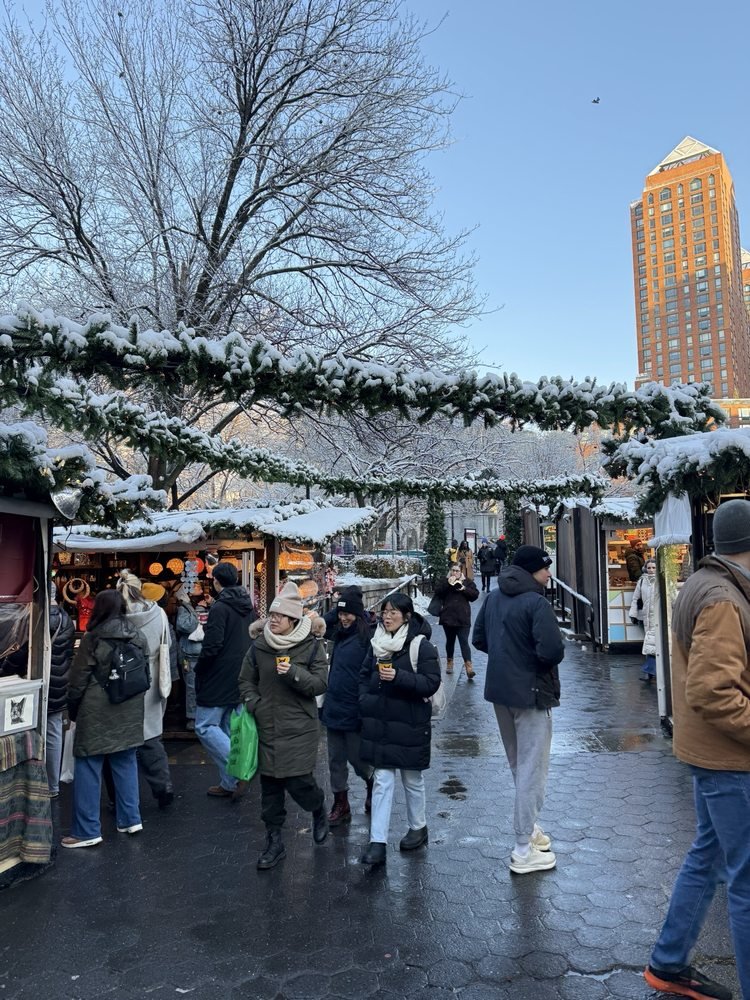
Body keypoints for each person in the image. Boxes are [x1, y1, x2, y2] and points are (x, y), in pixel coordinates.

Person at [643, 499, 750, 1000]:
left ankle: (667, 963)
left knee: (708, 856)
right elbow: (713, 692)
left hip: (710, 757)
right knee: (746, 884)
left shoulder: (707, 584)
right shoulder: (724, 598)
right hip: (731, 762)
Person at [472, 544, 564, 875]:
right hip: (532, 693)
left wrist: (505, 654)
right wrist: (528, 660)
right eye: (545, 568)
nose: (549, 574)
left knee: (518, 765)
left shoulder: (495, 596)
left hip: (500, 692)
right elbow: (552, 650)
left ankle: (531, 829)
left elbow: (478, 639)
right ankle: (523, 848)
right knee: (532, 770)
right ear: (531, 571)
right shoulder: (536, 602)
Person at [239, 581, 329, 870]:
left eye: (279, 616)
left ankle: (317, 807)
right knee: (271, 787)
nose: (273, 620)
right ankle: (274, 841)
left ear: (294, 620)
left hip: (299, 728)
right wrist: (254, 703)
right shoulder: (259, 646)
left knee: (297, 781)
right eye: (272, 615)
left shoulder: (312, 647)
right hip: (266, 725)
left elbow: (320, 685)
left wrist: (293, 673)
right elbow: (245, 681)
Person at [358, 593, 441, 867]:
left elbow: (431, 683)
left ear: (407, 615)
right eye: (385, 611)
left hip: (410, 723)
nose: (387, 616)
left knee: (412, 779)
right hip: (381, 724)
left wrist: (399, 677)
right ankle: (377, 842)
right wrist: (364, 700)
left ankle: (418, 827)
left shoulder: (420, 646)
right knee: (382, 781)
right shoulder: (376, 644)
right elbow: (363, 677)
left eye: (393, 612)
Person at [62, 590, 146, 847]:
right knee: (125, 760)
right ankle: (131, 819)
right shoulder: (137, 635)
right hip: (130, 706)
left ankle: (87, 831)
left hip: (97, 707)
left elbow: (78, 680)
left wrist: (72, 709)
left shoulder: (93, 637)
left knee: (88, 764)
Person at [195, 562, 257, 798]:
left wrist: (200, 668)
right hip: (241, 671)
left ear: (216, 581)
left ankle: (239, 770)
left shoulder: (220, 608)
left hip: (218, 673)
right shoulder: (247, 605)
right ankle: (229, 781)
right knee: (226, 725)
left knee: (205, 725)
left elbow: (212, 645)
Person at [117, 571, 174, 809]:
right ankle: (163, 786)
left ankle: (122, 798)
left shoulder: (119, 616)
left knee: (122, 740)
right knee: (150, 737)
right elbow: (167, 644)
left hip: (123, 679)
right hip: (151, 679)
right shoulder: (159, 613)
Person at [320, 590, 375, 825]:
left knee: (357, 759)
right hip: (334, 706)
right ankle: (340, 803)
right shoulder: (338, 634)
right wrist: (338, 606)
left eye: (348, 614)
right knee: (335, 760)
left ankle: (372, 784)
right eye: (341, 613)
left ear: (359, 614)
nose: (343, 618)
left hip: (355, 709)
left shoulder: (368, 637)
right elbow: (323, 624)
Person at [46, 583, 75, 797]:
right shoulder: (66, 618)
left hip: (42, 676)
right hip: (60, 678)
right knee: (54, 729)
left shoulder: (39, 615)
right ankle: (52, 784)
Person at [433, 564, 479, 677]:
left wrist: (464, 589)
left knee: (464, 642)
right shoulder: (445, 581)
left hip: (463, 618)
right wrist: (448, 584)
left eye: (457, 571)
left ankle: (469, 667)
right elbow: (438, 592)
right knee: (450, 641)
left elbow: (475, 595)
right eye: (453, 570)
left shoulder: (467, 582)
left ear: (461, 572)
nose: (454, 572)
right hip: (448, 617)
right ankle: (450, 662)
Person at [174, 586, 205, 731]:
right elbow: (186, 626)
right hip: (190, 653)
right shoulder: (184, 609)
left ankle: (199, 715)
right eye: (195, 587)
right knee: (191, 687)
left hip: (200, 652)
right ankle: (192, 717)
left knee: (198, 685)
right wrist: (189, 607)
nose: (200, 589)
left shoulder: (201, 606)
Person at [629, 558, 657, 683]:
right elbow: (635, 598)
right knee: (650, 643)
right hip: (647, 616)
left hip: (658, 616)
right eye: (649, 567)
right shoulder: (642, 582)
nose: (651, 570)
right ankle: (651, 672)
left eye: (654, 567)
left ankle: (649, 672)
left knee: (653, 643)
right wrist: (633, 614)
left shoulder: (662, 580)